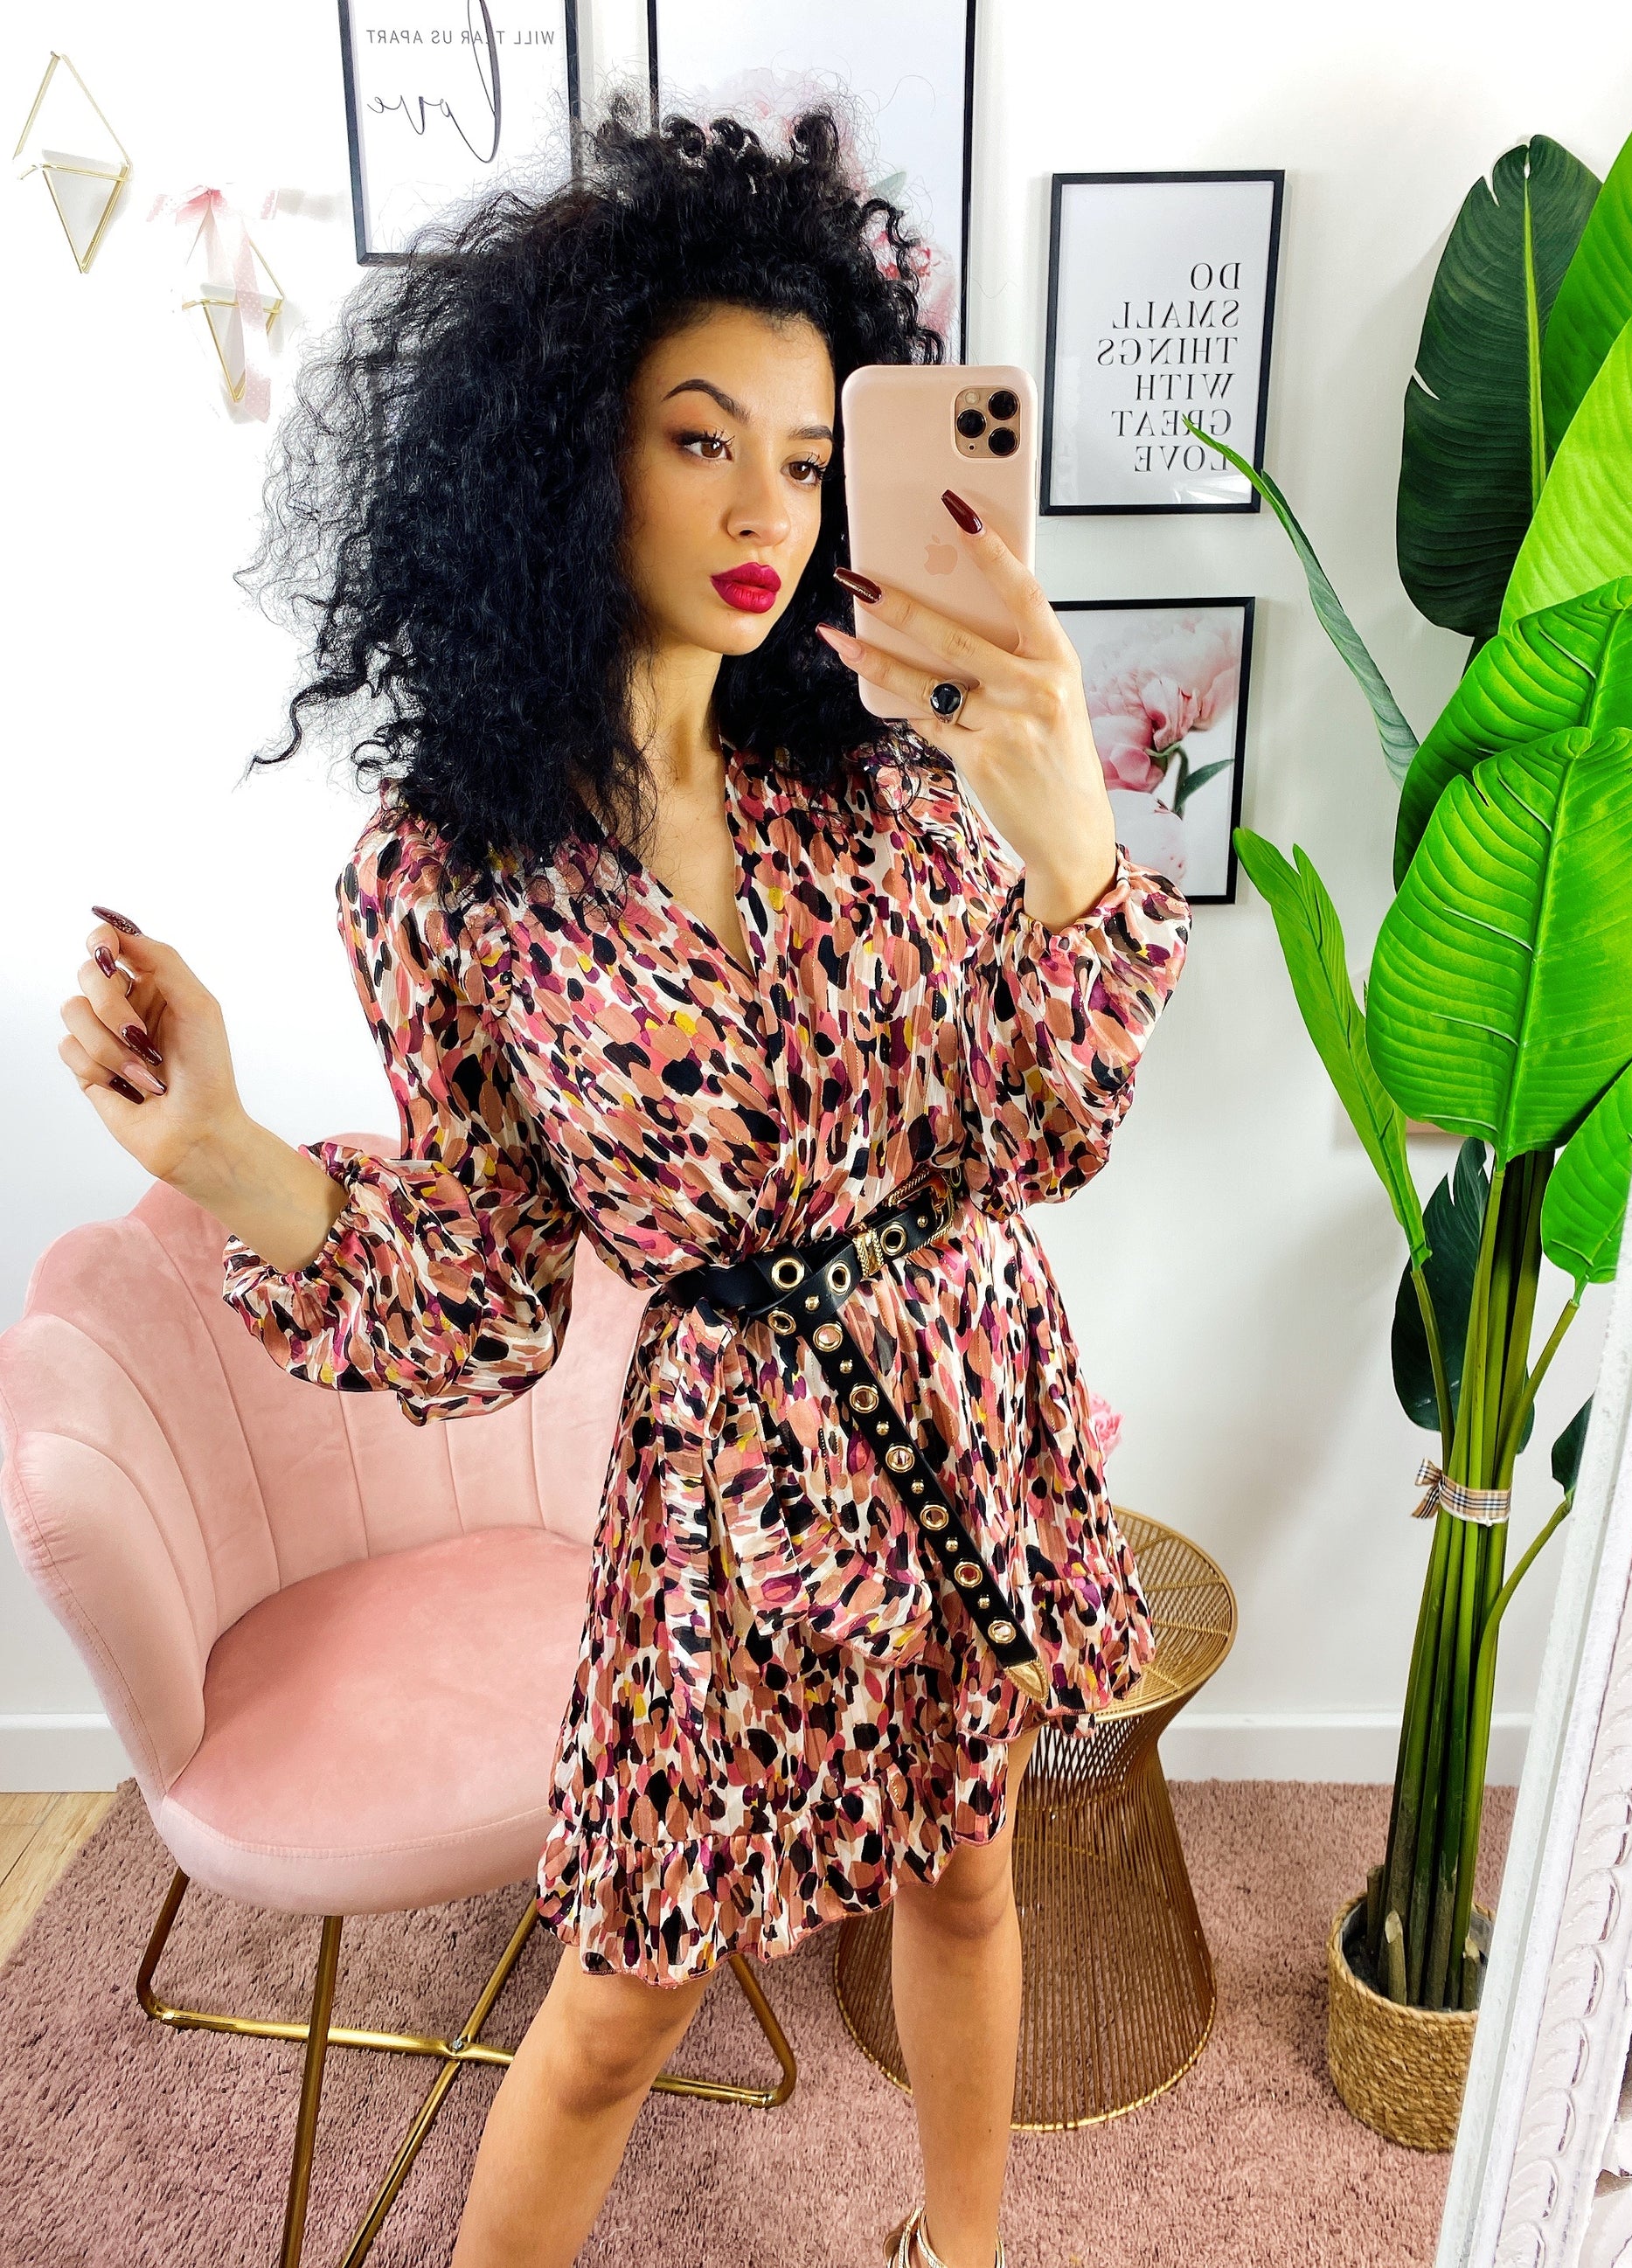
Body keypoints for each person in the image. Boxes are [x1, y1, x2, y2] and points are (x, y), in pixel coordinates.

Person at [60, 94, 1190, 2268]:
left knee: (970, 1869)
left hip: (966, 1379)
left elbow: (1036, 1136)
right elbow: (486, 1294)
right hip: (728, 1472)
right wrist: (221, 1154)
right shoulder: (449, 875)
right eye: (700, 439)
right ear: (571, 455)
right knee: (623, 1993)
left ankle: (958, 2249)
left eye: (807, 457)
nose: (767, 509)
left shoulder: (884, 780)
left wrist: (1067, 843)